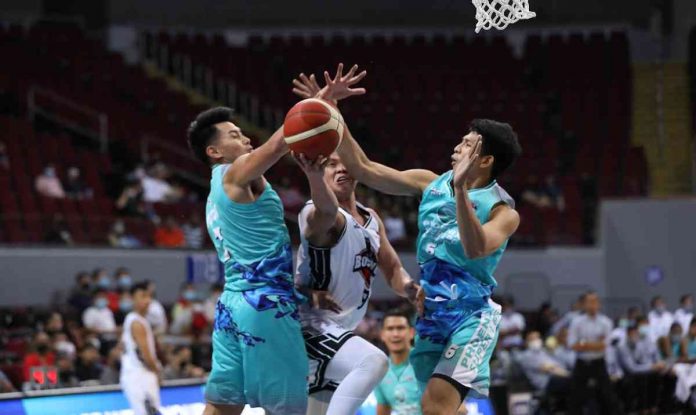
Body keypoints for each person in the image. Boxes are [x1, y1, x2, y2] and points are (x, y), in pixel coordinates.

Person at [293, 63, 521, 415]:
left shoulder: (502, 211)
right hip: (430, 313)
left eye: (469, 145)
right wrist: (330, 111)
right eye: (462, 140)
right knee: (442, 408)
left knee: (435, 406)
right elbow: (365, 168)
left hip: (470, 317)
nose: (458, 147)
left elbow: (475, 248)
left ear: (486, 159)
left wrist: (460, 189)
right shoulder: (429, 182)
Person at [187, 104, 318, 415]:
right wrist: (316, 107)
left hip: (230, 304)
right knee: (289, 409)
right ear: (214, 151)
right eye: (235, 135)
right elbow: (276, 146)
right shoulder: (234, 173)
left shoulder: (215, 191)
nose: (246, 139)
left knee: (222, 406)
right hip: (266, 305)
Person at [294, 150, 419, 415]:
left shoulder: (371, 218)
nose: (341, 169)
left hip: (340, 330)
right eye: (331, 165)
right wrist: (314, 178)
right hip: (310, 324)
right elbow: (326, 211)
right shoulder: (316, 213)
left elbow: (393, 268)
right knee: (373, 361)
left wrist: (410, 289)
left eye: (346, 163)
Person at [567, 291, 623, 415]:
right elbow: (572, 345)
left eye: (594, 301)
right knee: (575, 398)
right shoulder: (576, 322)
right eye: (589, 302)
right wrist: (595, 344)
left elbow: (604, 345)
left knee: (608, 396)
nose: (592, 305)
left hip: (598, 362)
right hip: (581, 363)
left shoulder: (606, 322)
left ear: (599, 304)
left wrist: (584, 343)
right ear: (584, 304)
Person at [120, 282, 162, 415]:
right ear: (132, 299)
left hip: (133, 374)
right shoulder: (137, 323)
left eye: (149, 296)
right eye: (143, 296)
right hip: (140, 376)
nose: (147, 300)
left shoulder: (132, 320)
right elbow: (145, 355)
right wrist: (157, 371)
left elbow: (121, 347)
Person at [374, 310, 422, 415]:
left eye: (400, 328)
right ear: (382, 335)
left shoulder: (427, 362)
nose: (395, 334)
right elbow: (383, 411)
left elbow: (458, 408)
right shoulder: (380, 371)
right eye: (390, 329)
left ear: (411, 333)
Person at [617, 324, 666, 414]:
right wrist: (651, 367)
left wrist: (656, 366)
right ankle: (642, 408)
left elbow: (644, 360)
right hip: (626, 374)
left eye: (636, 333)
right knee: (643, 377)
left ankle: (653, 406)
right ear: (628, 335)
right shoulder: (622, 347)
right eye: (633, 334)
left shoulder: (639, 343)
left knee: (656, 375)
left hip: (640, 370)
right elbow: (631, 368)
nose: (635, 336)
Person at [517, 331, 571, 409]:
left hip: (556, 378)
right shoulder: (526, 356)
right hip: (545, 384)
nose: (536, 340)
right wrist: (567, 375)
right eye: (533, 339)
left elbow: (558, 366)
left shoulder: (543, 352)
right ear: (527, 342)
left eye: (538, 338)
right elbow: (548, 369)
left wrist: (566, 373)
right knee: (568, 382)